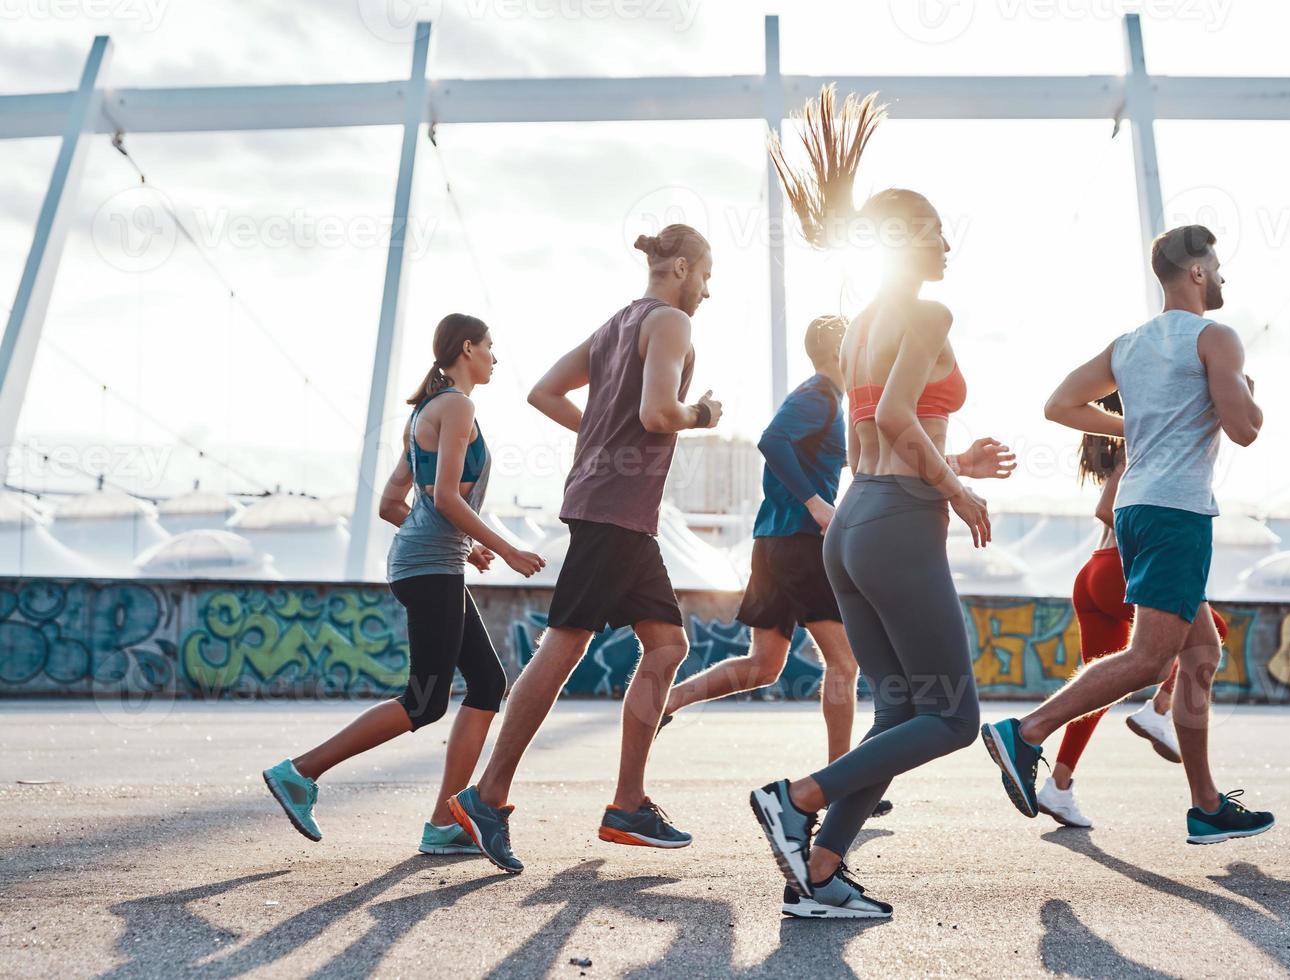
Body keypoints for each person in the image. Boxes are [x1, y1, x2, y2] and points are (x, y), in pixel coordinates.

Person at [748, 87, 1015, 919]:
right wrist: (959, 488)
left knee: (899, 705)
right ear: (905, 237)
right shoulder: (928, 311)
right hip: (897, 523)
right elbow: (897, 417)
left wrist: (948, 460)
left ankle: (820, 872)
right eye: (933, 228)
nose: (945, 241)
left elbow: (880, 422)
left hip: (855, 521)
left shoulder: (863, 319)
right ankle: (794, 798)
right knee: (953, 716)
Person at [982, 224, 1275, 846]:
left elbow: (1058, 405)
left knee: (1201, 654)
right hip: (1177, 512)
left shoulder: (1130, 344)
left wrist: (1139, 422)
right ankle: (1026, 732)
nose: (1221, 276)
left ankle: (1205, 805)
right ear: (1195, 272)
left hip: (1136, 507)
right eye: (1216, 266)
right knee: (1150, 658)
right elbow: (1243, 429)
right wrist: (1250, 396)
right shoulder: (1217, 337)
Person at [448, 224, 721, 872]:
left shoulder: (616, 325)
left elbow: (543, 391)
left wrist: (598, 432)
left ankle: (627, 804)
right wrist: (703, 414)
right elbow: (659, 414)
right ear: (681, 268)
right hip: (616, 511)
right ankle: (488, 796)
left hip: (619, 510)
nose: (708, 294)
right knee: (566, 643)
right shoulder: (671, 324)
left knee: (667, 645)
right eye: (706, 278)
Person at [262, 313, 546, 854]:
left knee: (487, 683)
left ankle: (445, 823)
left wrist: (470, 545)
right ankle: (300, 772)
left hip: (428, 563)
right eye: (489, 347)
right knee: (424, 701)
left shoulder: (423, 414)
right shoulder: (458, 407)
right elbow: (443, 498)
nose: (494, 357)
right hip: (430, 569)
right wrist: (506, 548)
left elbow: (394, 503)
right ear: (468, 349)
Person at [662, 313, 897, 816]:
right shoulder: (818, 394)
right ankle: (844, 780)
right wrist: (815, 502)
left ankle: (668, 702)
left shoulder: (835, 402)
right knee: (845, 661)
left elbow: (867, 461)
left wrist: (953, 465)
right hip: (797, 543)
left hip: (774, 543)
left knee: (763, 666)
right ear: (842, 351)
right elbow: (771, 440)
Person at [1035, 392, 1230, 829]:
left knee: (1100, 686)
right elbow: (1107, 508)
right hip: (1118, 570)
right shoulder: (1144, 439)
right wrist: (1150, 553)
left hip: (1092, 575)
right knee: (1211, 635)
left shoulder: (1136, 440)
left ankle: (1059, 786)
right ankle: (1159, 710)